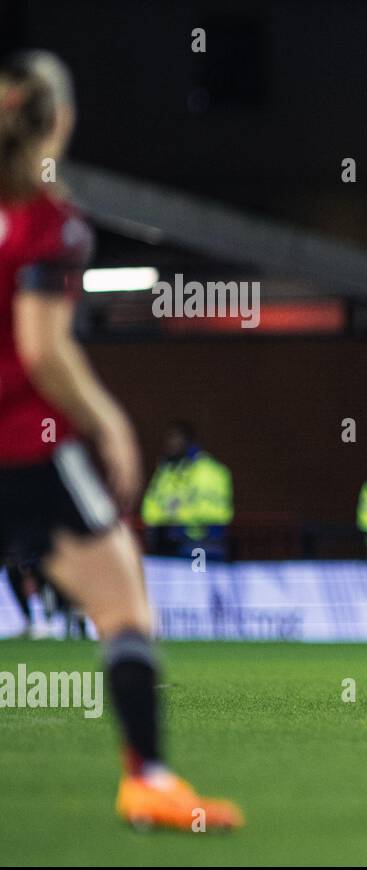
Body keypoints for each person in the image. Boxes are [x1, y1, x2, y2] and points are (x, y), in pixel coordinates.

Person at [0, 52, 241, 829]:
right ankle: (149, 781)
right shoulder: (50, 219)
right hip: (27, 445)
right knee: (126, 611)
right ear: (61, 118)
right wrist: (106, 420)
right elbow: (40, 350)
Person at [140, 420, 233, 559]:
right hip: (167, 545)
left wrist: (174, 516)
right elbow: (149, 510)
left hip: (202, 546)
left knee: (199, 578)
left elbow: (215, 513)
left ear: (188, 442)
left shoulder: (209, 471)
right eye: (169, 440)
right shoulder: (166, 471)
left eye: (176, 439)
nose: (170, 445)